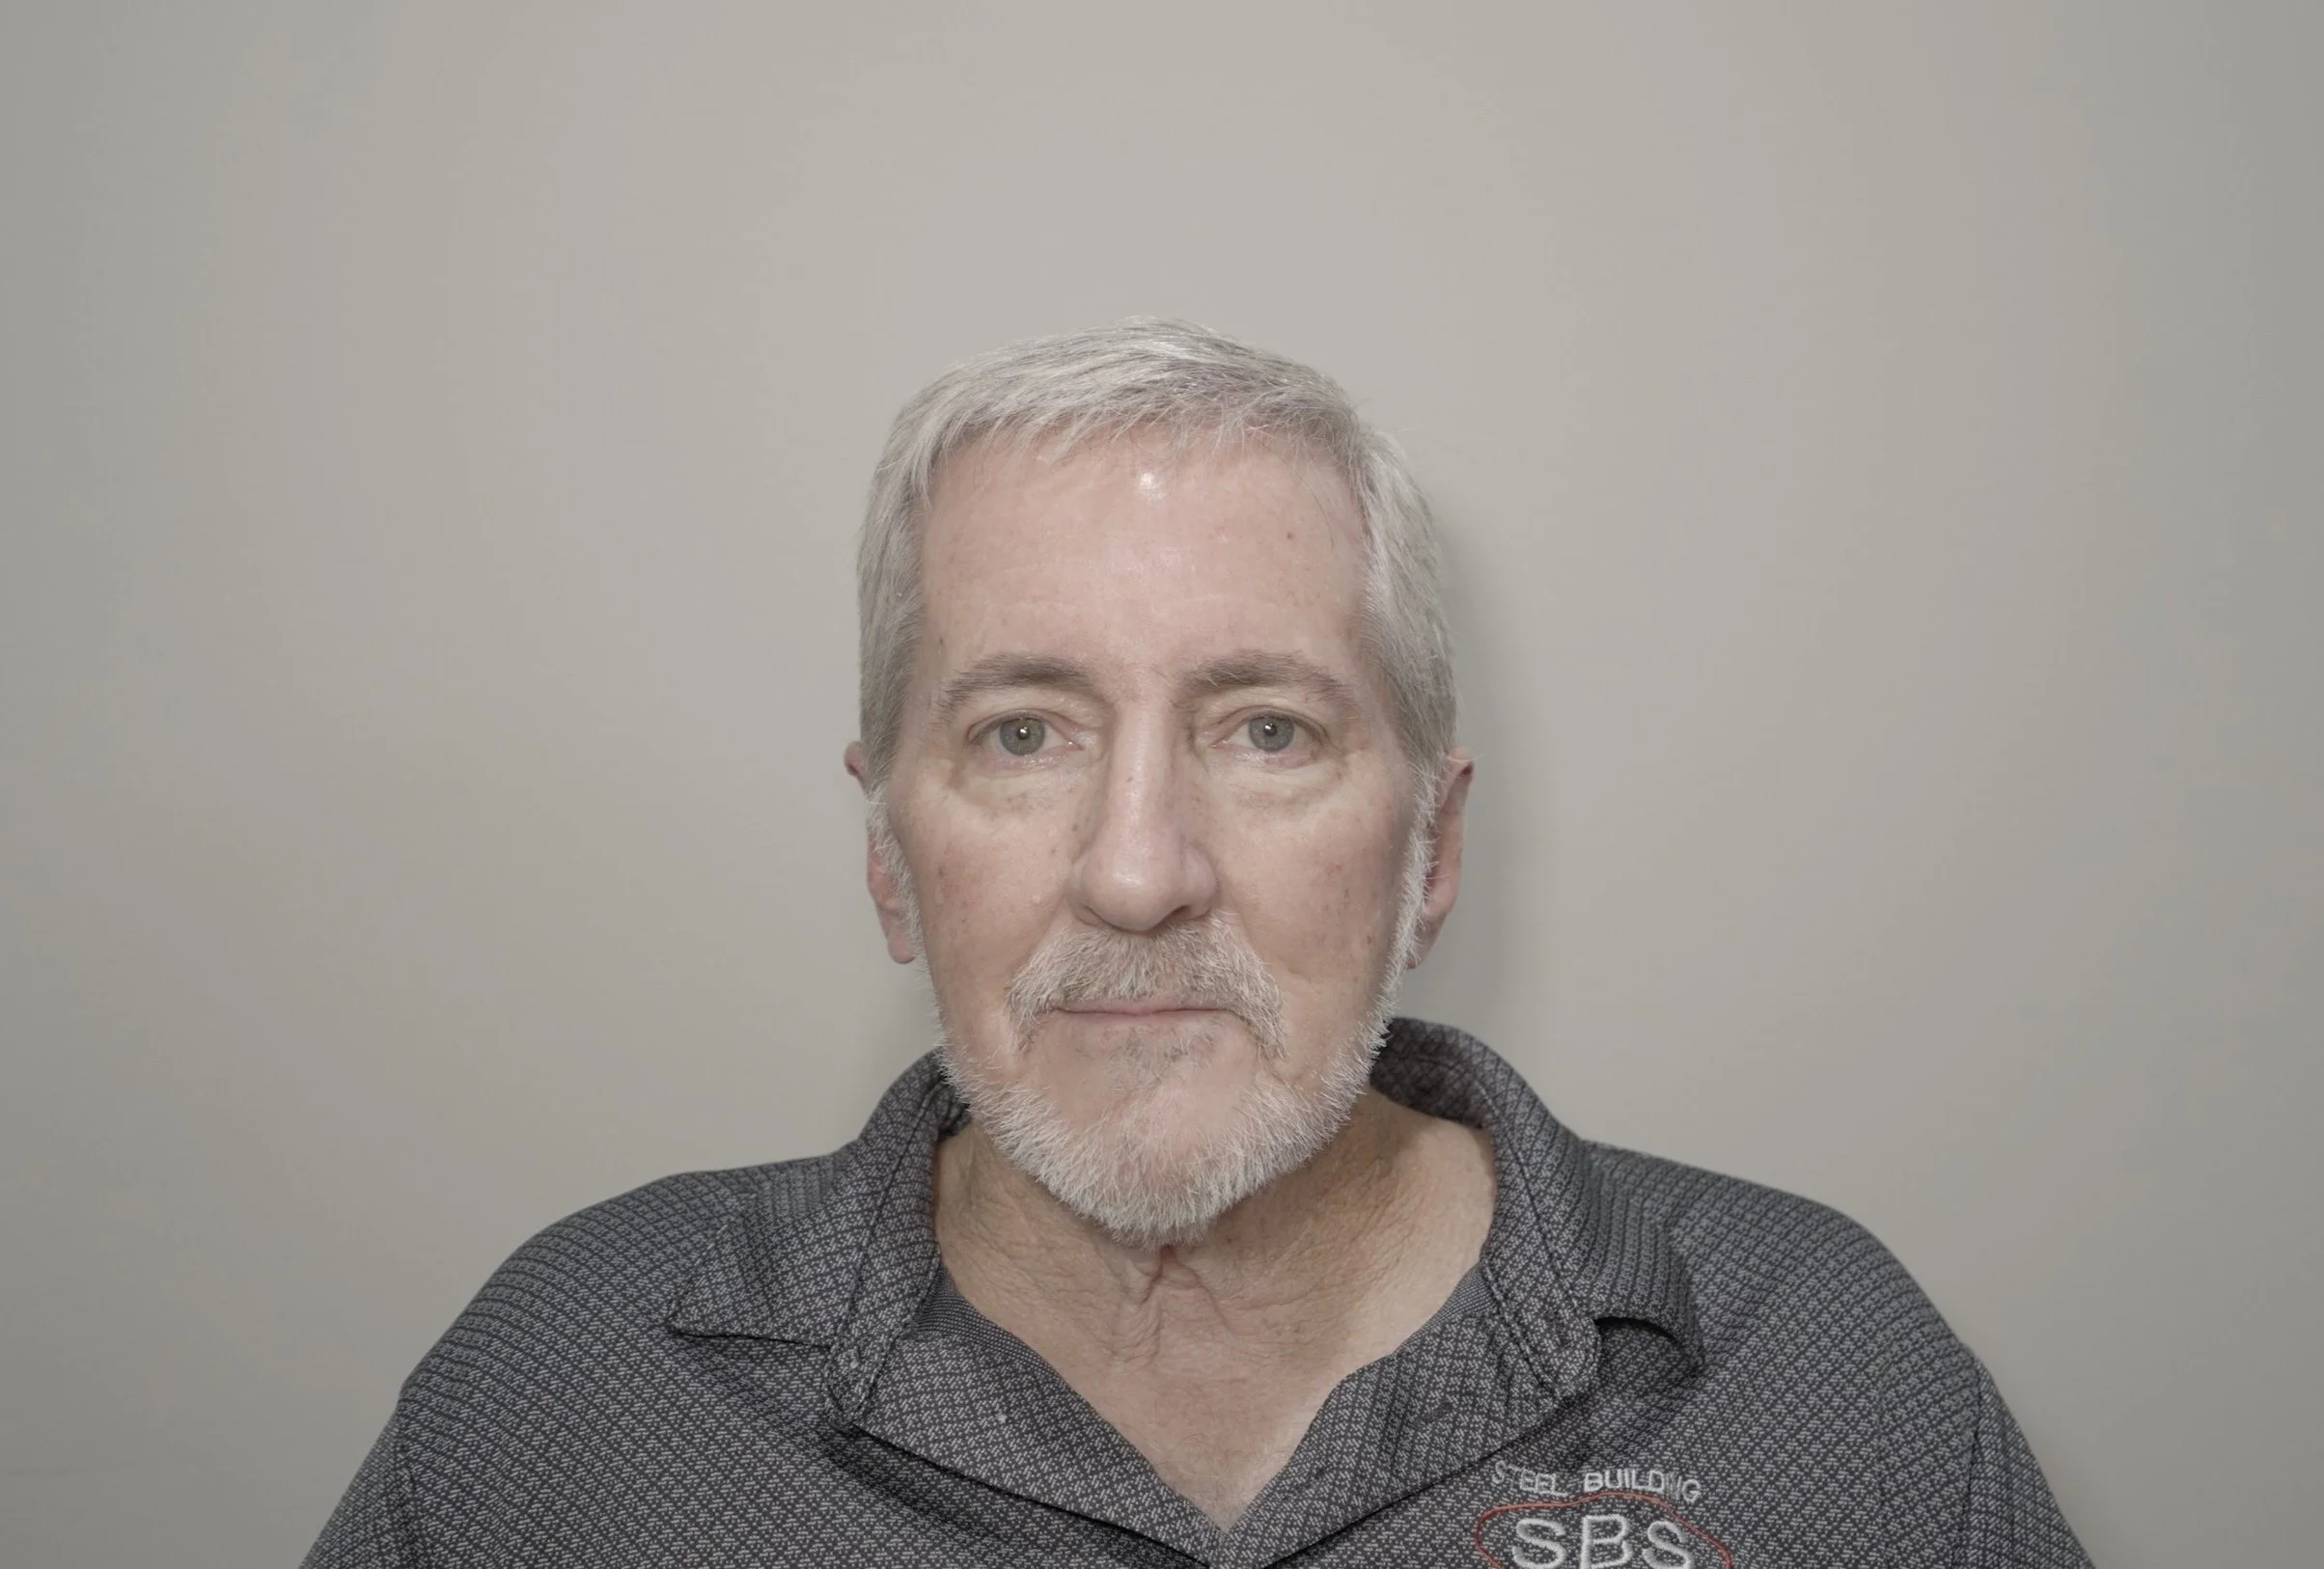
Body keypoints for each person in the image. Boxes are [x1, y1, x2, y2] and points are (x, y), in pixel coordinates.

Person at [307, 321, 2090, 1568]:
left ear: (1433, 848)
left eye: (1266, 731)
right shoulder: (570, 1394)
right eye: (1023, 733)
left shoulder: (1825, 1371)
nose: (1140, 873)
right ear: (887, 855)